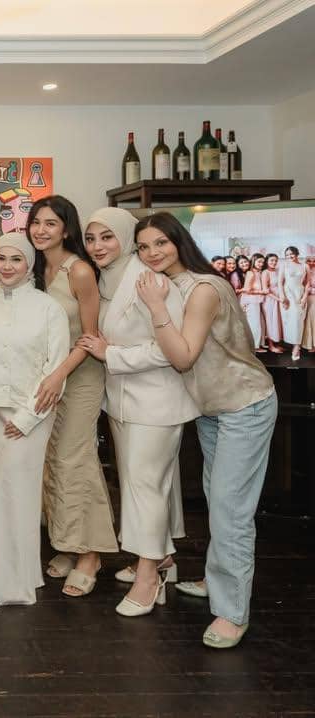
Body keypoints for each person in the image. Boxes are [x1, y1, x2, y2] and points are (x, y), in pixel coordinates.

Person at [132, 211, 276, 649]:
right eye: (143, 247)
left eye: (161, 242)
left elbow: (182, 357)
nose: (152, 253)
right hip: (211, 409)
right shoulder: (173, 285)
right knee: (218, 501)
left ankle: (232, 612)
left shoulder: (204, 288)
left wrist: (156, 308)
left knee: (231, 511)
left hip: (244, 405)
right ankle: (218, 580)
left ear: (179, 241)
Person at [77, 207, 198, 617]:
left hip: (156, 402)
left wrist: (111, 354)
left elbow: (170, 349)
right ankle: (162, 558)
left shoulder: (151, 281)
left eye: (107, 237)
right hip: (123, 401)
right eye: (91, 238)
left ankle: (149, 578)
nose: (98, 246)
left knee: (145, 488)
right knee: (144, 484)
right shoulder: (107, 278)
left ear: (125, 237)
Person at [0, 232, 68, 609]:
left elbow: (56, 369)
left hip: (30, 414)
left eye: (16, 259)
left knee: (14, 493)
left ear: (29, 264)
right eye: (1, 259)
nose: (7, 267)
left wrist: (27, 418)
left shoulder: (48, 308)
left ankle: (1, 586)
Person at [26, 196, 118, 597]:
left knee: (73, 459)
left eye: (50, 223)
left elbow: (90, 336)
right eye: (36, 222)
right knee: (50, 462)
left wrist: (58, 374)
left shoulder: (79, 270)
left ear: (66, 229)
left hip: (79, 375)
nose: (41, 230)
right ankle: (67, 542)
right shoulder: (34, 268)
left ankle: (90, 555)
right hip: (45, 378)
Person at [279, 246, 308, 361]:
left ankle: (296, 347)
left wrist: (304, 297)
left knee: (298, 320)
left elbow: (307, 283)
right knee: (290, 321)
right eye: (287, 255)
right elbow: (280, 282)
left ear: (297, 254)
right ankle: (293, 343)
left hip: (299, 294)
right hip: (288, 294)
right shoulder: (284, 265)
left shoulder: (304, 266)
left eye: (291, 254)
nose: (289, 256)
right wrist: (282, 296)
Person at [239, 254, 266, 351]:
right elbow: (247, 290)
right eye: (259, 262)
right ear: (254, 261)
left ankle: (256, 345)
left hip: (255, 301)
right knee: (254, 325)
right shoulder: (251, 273)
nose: (261, 264)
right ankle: (254, 347)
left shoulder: (259, 273)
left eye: (262, 262)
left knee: (257, 324)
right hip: (250, 301)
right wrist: (261, 292)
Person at [262, 254, 284, 353]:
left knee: (277, 321)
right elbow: (265, 290)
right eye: (271, 260)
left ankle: (276, 343)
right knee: (270, 321)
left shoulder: (278, 270)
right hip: (270, 300)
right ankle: (271, 345)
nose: (274, 262)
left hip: (279, 299)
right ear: (267, 261)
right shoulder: (265, 272)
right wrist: (279, 299)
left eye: (275, 260)